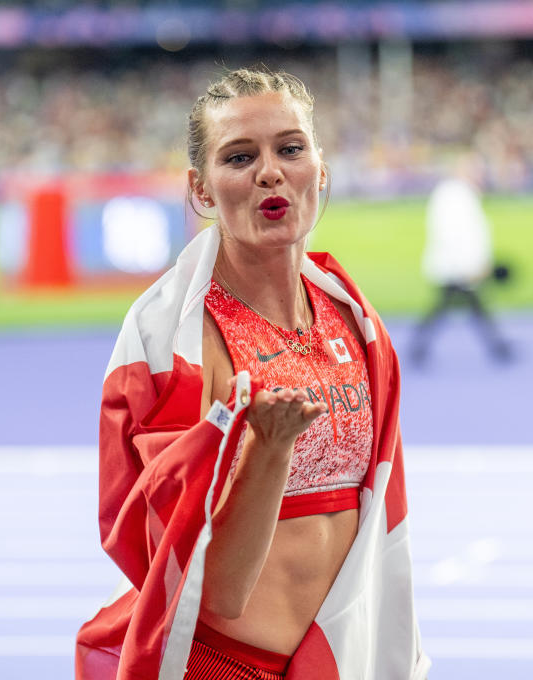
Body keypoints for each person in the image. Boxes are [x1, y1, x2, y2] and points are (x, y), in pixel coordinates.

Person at [76, 69, 428, 679]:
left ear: (320, 170)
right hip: (225, 667)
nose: (270, 171)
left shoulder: (356, 323)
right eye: (240, 157)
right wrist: (269, 448)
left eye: (290, 149)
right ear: (202, 190)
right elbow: (217, 594)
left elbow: (380, 528)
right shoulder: (178, 344)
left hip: (339, 661)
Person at [410, 154, 513, 366]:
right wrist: (469, 266)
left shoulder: (458, 194)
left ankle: (497, 346)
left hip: (459, 265)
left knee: (462, 306)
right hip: (456, 267)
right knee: (450, 306)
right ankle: (419, 346)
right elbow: (454, 234)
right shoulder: (454, 196)